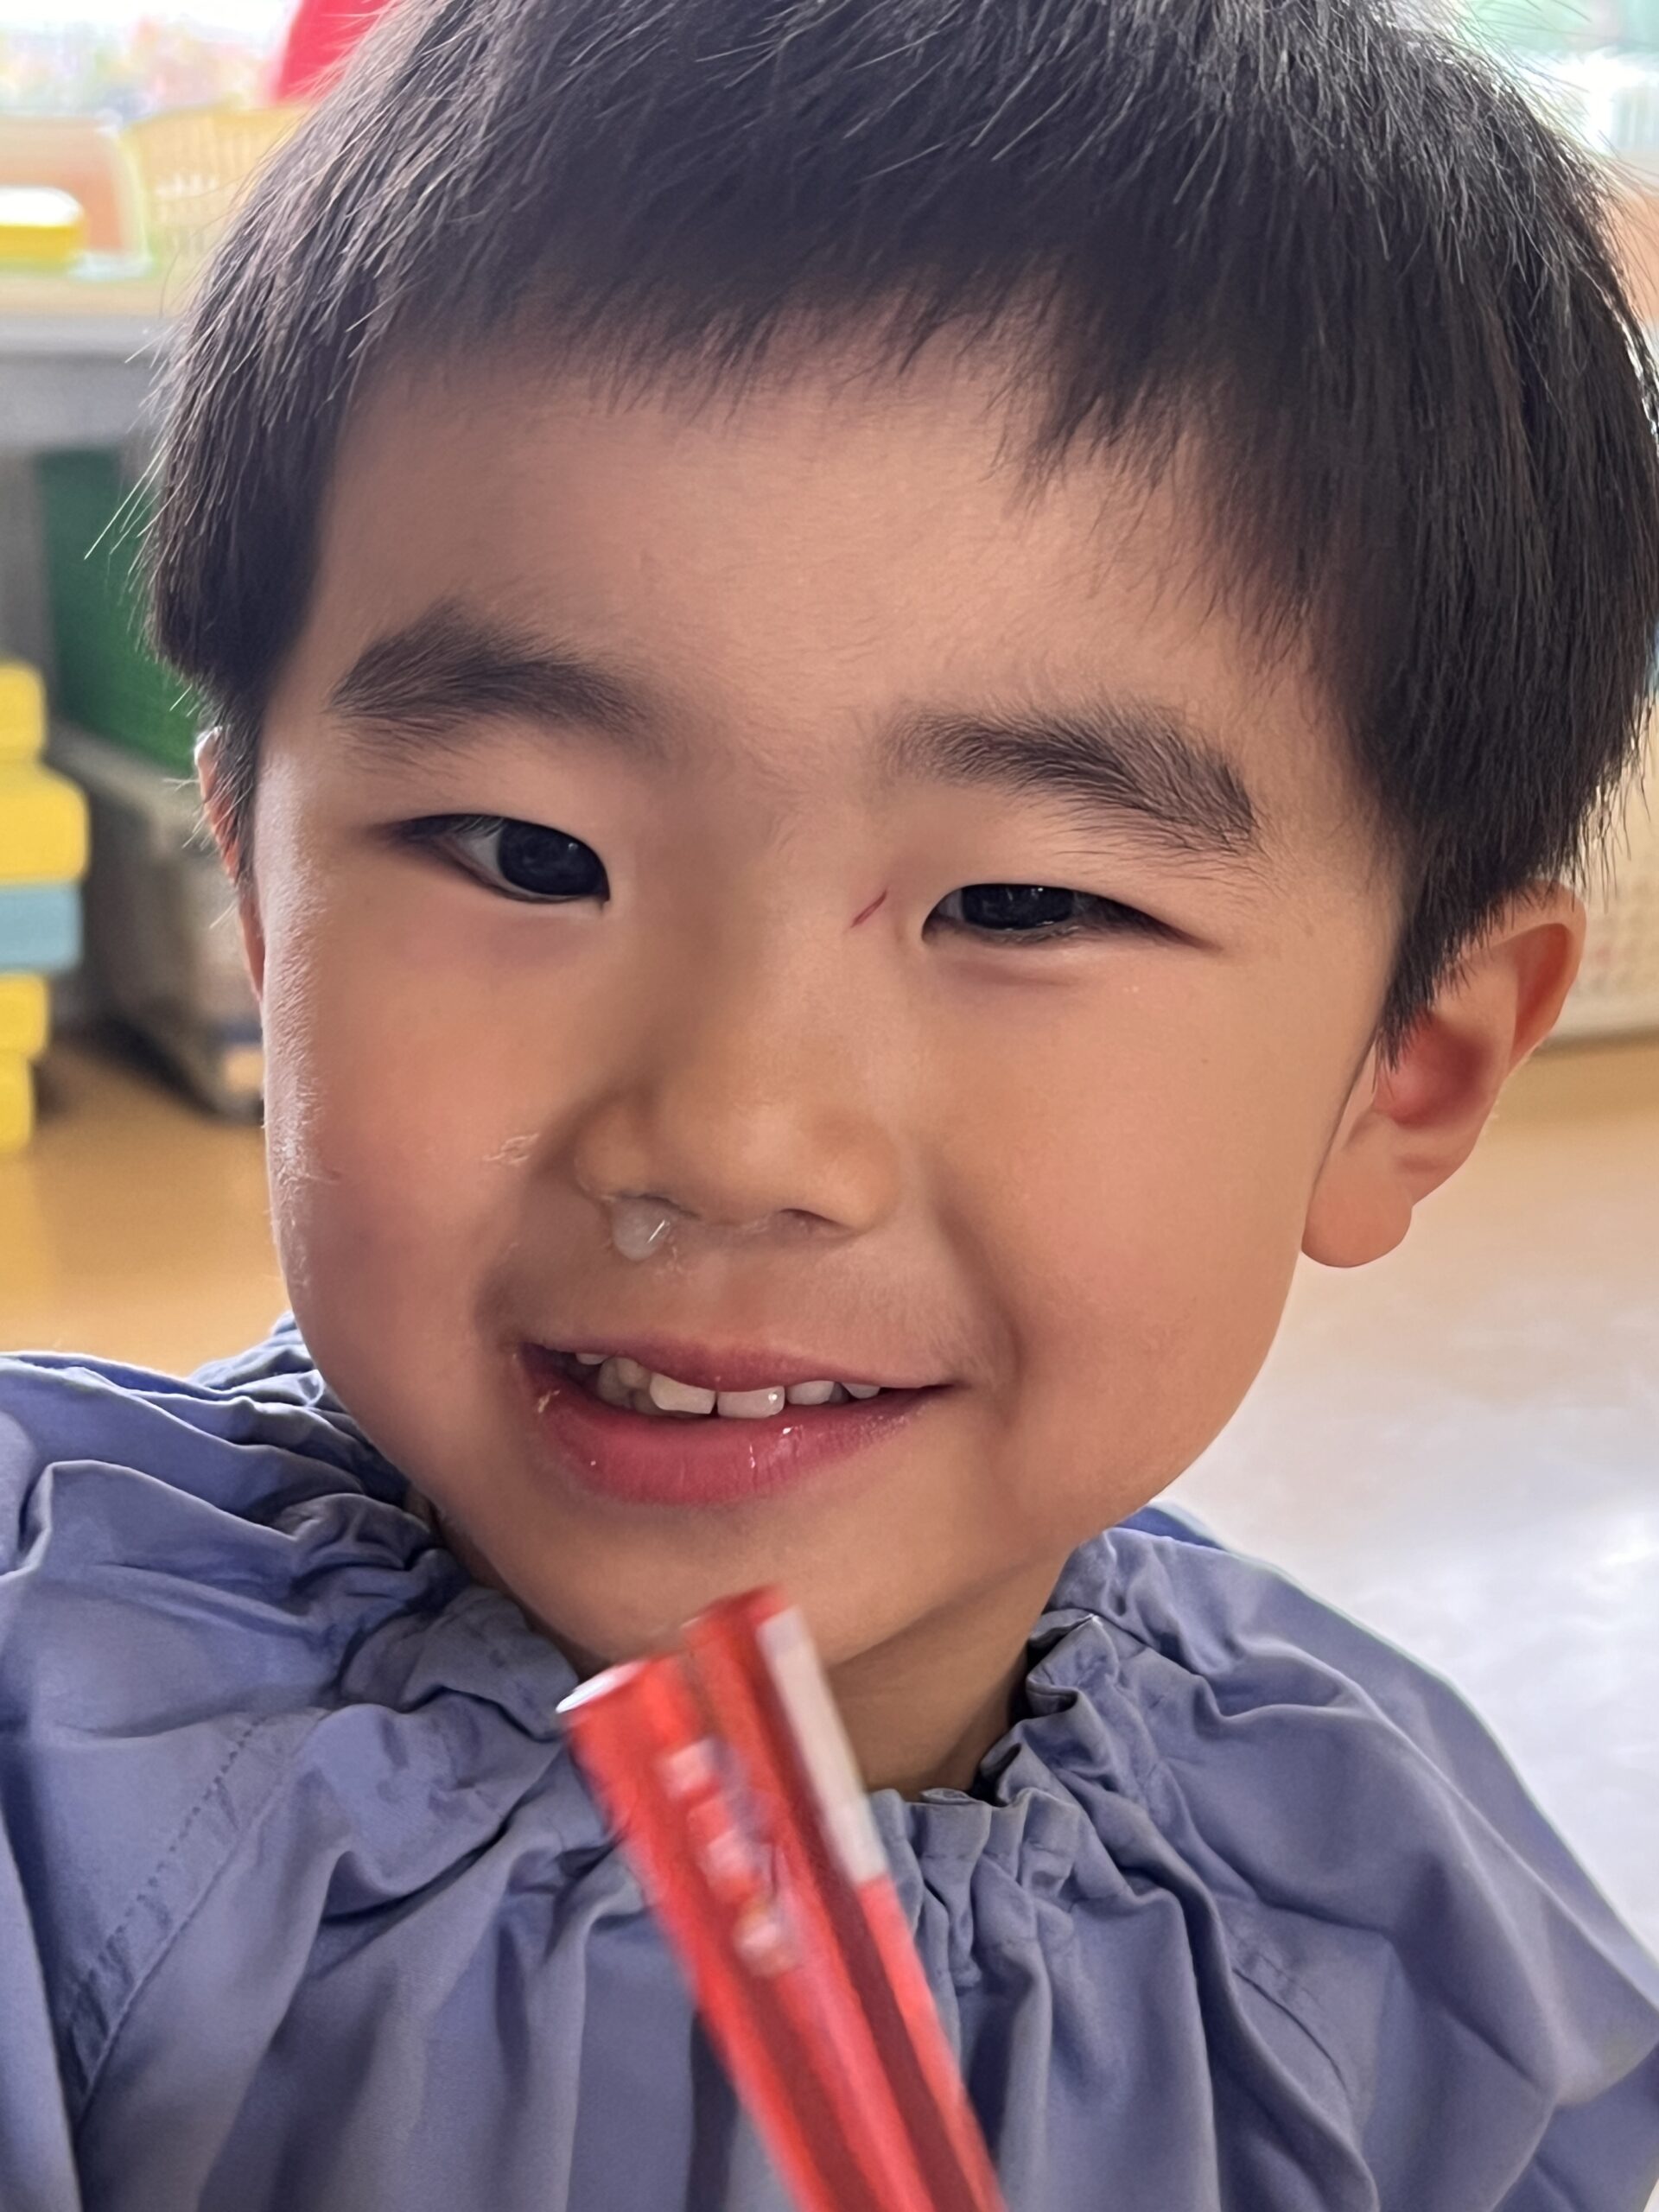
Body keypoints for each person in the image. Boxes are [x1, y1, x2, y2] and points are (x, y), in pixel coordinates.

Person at [4, 0, 1658, 2203]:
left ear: (1410, 1065)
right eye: (524, 853)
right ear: (261, 896)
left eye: (1026, 901)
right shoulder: (49, 1753)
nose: (730, 1133)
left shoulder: (1405, 1940)